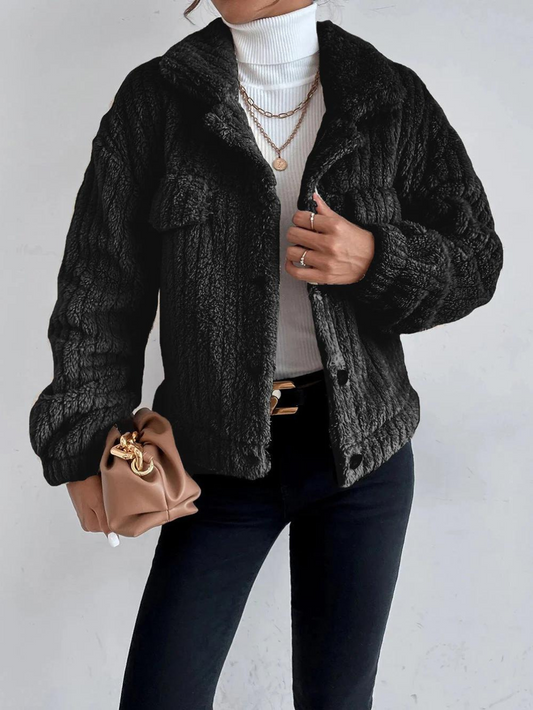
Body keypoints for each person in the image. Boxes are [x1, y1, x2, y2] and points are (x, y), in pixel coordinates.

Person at [28, 0, 504, 707]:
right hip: (213, 460)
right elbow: (100, 288)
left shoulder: (387, 96)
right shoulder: (155, 101)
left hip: (361, 459)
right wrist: (82, 441)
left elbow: (476, 259)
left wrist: (377, 259)